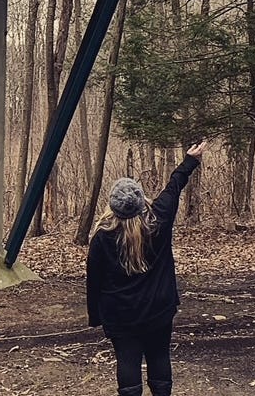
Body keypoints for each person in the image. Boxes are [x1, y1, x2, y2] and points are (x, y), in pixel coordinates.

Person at [86, 140, 206, 396]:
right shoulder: (159, 219)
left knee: (127, 362)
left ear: (112, 207)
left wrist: (96, 316)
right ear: (141, 202)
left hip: (120, 314)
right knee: (159, 356)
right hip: (159, 309)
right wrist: (189, 161)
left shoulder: (102, 238)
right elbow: (173, 188)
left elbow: (93, 281)